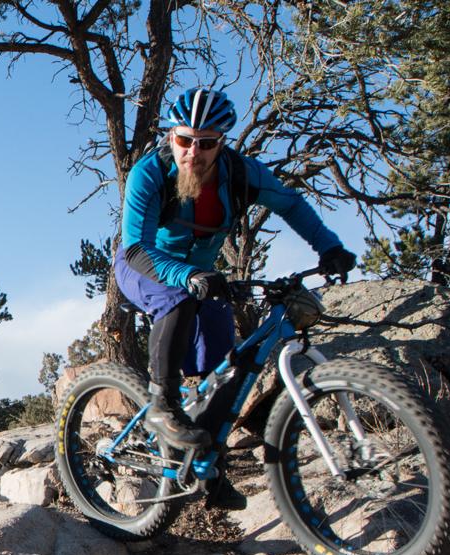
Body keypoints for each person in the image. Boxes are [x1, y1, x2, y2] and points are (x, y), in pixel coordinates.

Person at [114, 88, 356, 505]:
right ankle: (162, 405)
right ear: (171, 137)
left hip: (203, 276)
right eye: (185, 139)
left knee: (227, 365)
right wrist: (187, 275)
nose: (194, 151)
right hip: (144, 267)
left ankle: (208, 465)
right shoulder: (150, 172)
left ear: (220, 143)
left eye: (206, 142)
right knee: (180, 300)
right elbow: (137, 247)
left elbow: (291, 204)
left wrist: (328, 247)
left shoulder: (240, 173)